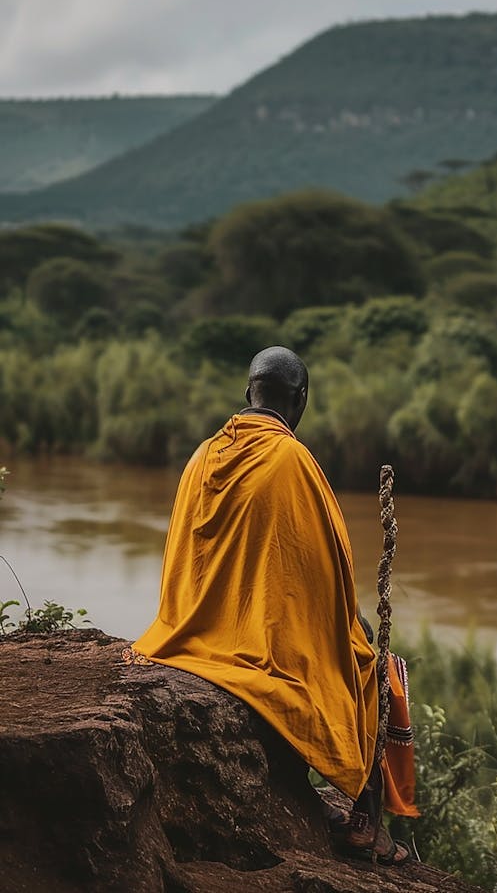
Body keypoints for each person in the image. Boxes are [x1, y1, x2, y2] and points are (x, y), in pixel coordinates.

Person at [128, 346, 414, 864]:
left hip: (188, 631)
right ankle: (367, 822)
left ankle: (312, 799)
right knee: (375, 667)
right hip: (259, 643)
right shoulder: (291, 459)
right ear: (300, 399)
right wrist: (351, 621)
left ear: (248, 393)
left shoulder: (203, 453)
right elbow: (323, 570)